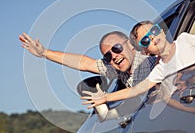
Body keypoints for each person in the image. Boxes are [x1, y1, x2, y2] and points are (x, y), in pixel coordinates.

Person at [81, 21, 195, 133]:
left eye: (154, 31)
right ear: (145, 51)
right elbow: (136, 90)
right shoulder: (160, 70)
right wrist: (106, 97)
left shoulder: (185, 39)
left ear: (162, 30)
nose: (151, 37)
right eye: (145, 40)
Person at [19, 31, 157, 89]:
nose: (114, 56)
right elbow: (84, 63)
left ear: (131, 45)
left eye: (117, 48)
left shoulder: (151, 56)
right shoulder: (116, 69)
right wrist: (44, 52)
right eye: (107, 56)